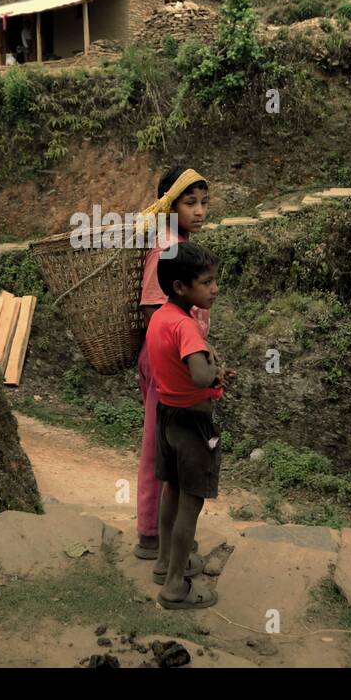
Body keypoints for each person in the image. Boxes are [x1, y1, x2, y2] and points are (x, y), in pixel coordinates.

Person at [134, 167, 210, 565]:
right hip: (165, 361)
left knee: (172, 446)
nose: (199, 211)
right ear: (170, 206)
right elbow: (152, 309)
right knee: (158, 445)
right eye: (190, 203)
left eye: (203, 203)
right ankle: (151, 534)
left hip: (177, 359)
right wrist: (178, 361)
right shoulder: (166, 247)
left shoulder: (179, 242)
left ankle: (169, 535)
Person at [147, 242, 228, 609]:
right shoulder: (187, 327)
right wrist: (217, 375)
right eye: (207, 282)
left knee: (172, 492)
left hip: (166, 417)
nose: (214, 289)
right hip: (193, 424)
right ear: (181, 287)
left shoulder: (160, 317)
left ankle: (165, 564)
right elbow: (198, 375)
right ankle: (176, 587)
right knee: (190, 506)